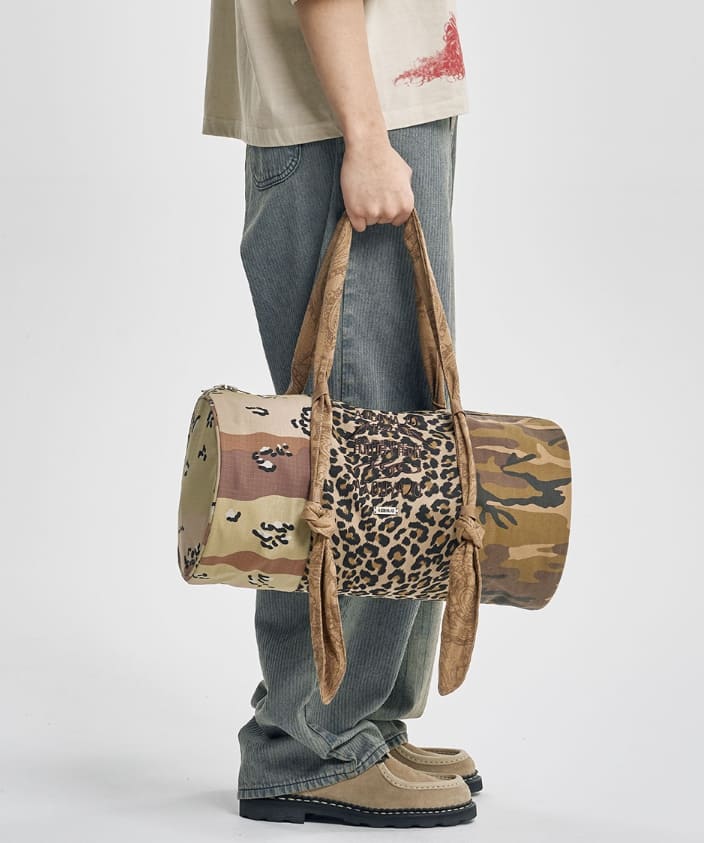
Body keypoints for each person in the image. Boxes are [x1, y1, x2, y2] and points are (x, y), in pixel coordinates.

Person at [202, 0, 482, 828]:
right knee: (360, 452)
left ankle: (365, 720)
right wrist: (365, 137)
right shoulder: (357, 132)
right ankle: (309, 746)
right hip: (347, 121)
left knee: (402, 444)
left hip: (365, 112)